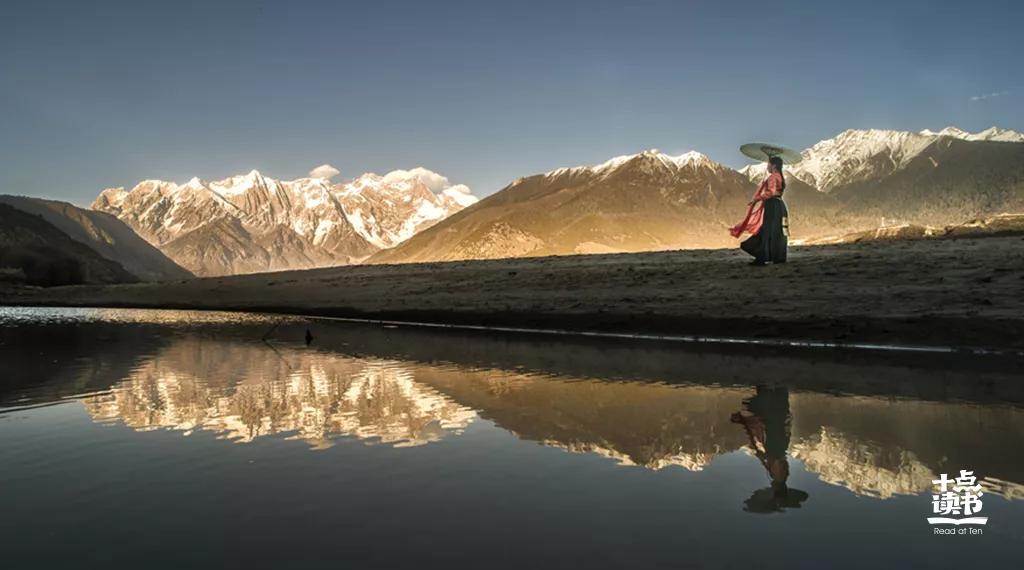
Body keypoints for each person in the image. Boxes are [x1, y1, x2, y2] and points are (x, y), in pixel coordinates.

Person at [729, 156, 789, 265]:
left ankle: (761, 257)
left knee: (766, 230)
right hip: (781, 206)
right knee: (778, 232)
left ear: (773, 165)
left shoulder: (772, 177)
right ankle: (778, 257)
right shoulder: (780, 177)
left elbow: (770, 192)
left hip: (773, 206)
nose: (767, 167)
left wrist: (756, 199)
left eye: (768, 164)